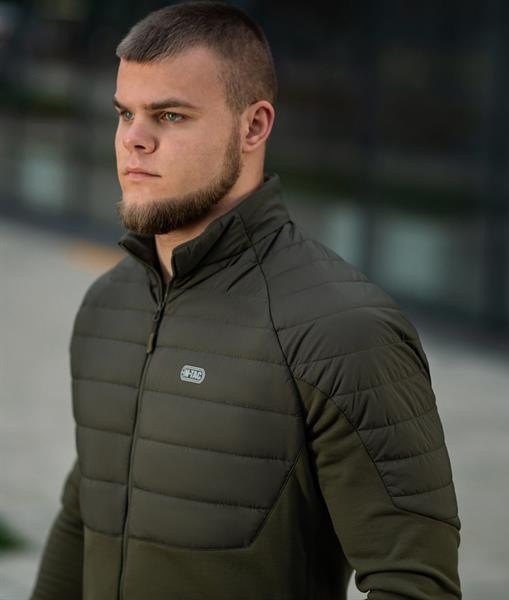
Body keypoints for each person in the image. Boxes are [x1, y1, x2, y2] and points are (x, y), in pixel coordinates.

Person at [30, 2, 461, 599]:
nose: (134, 140)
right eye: (125, 113)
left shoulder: (343, 330)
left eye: (170, 115)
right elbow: (84, 520)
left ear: (254, 127)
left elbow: (414, 582)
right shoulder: (108, 306)